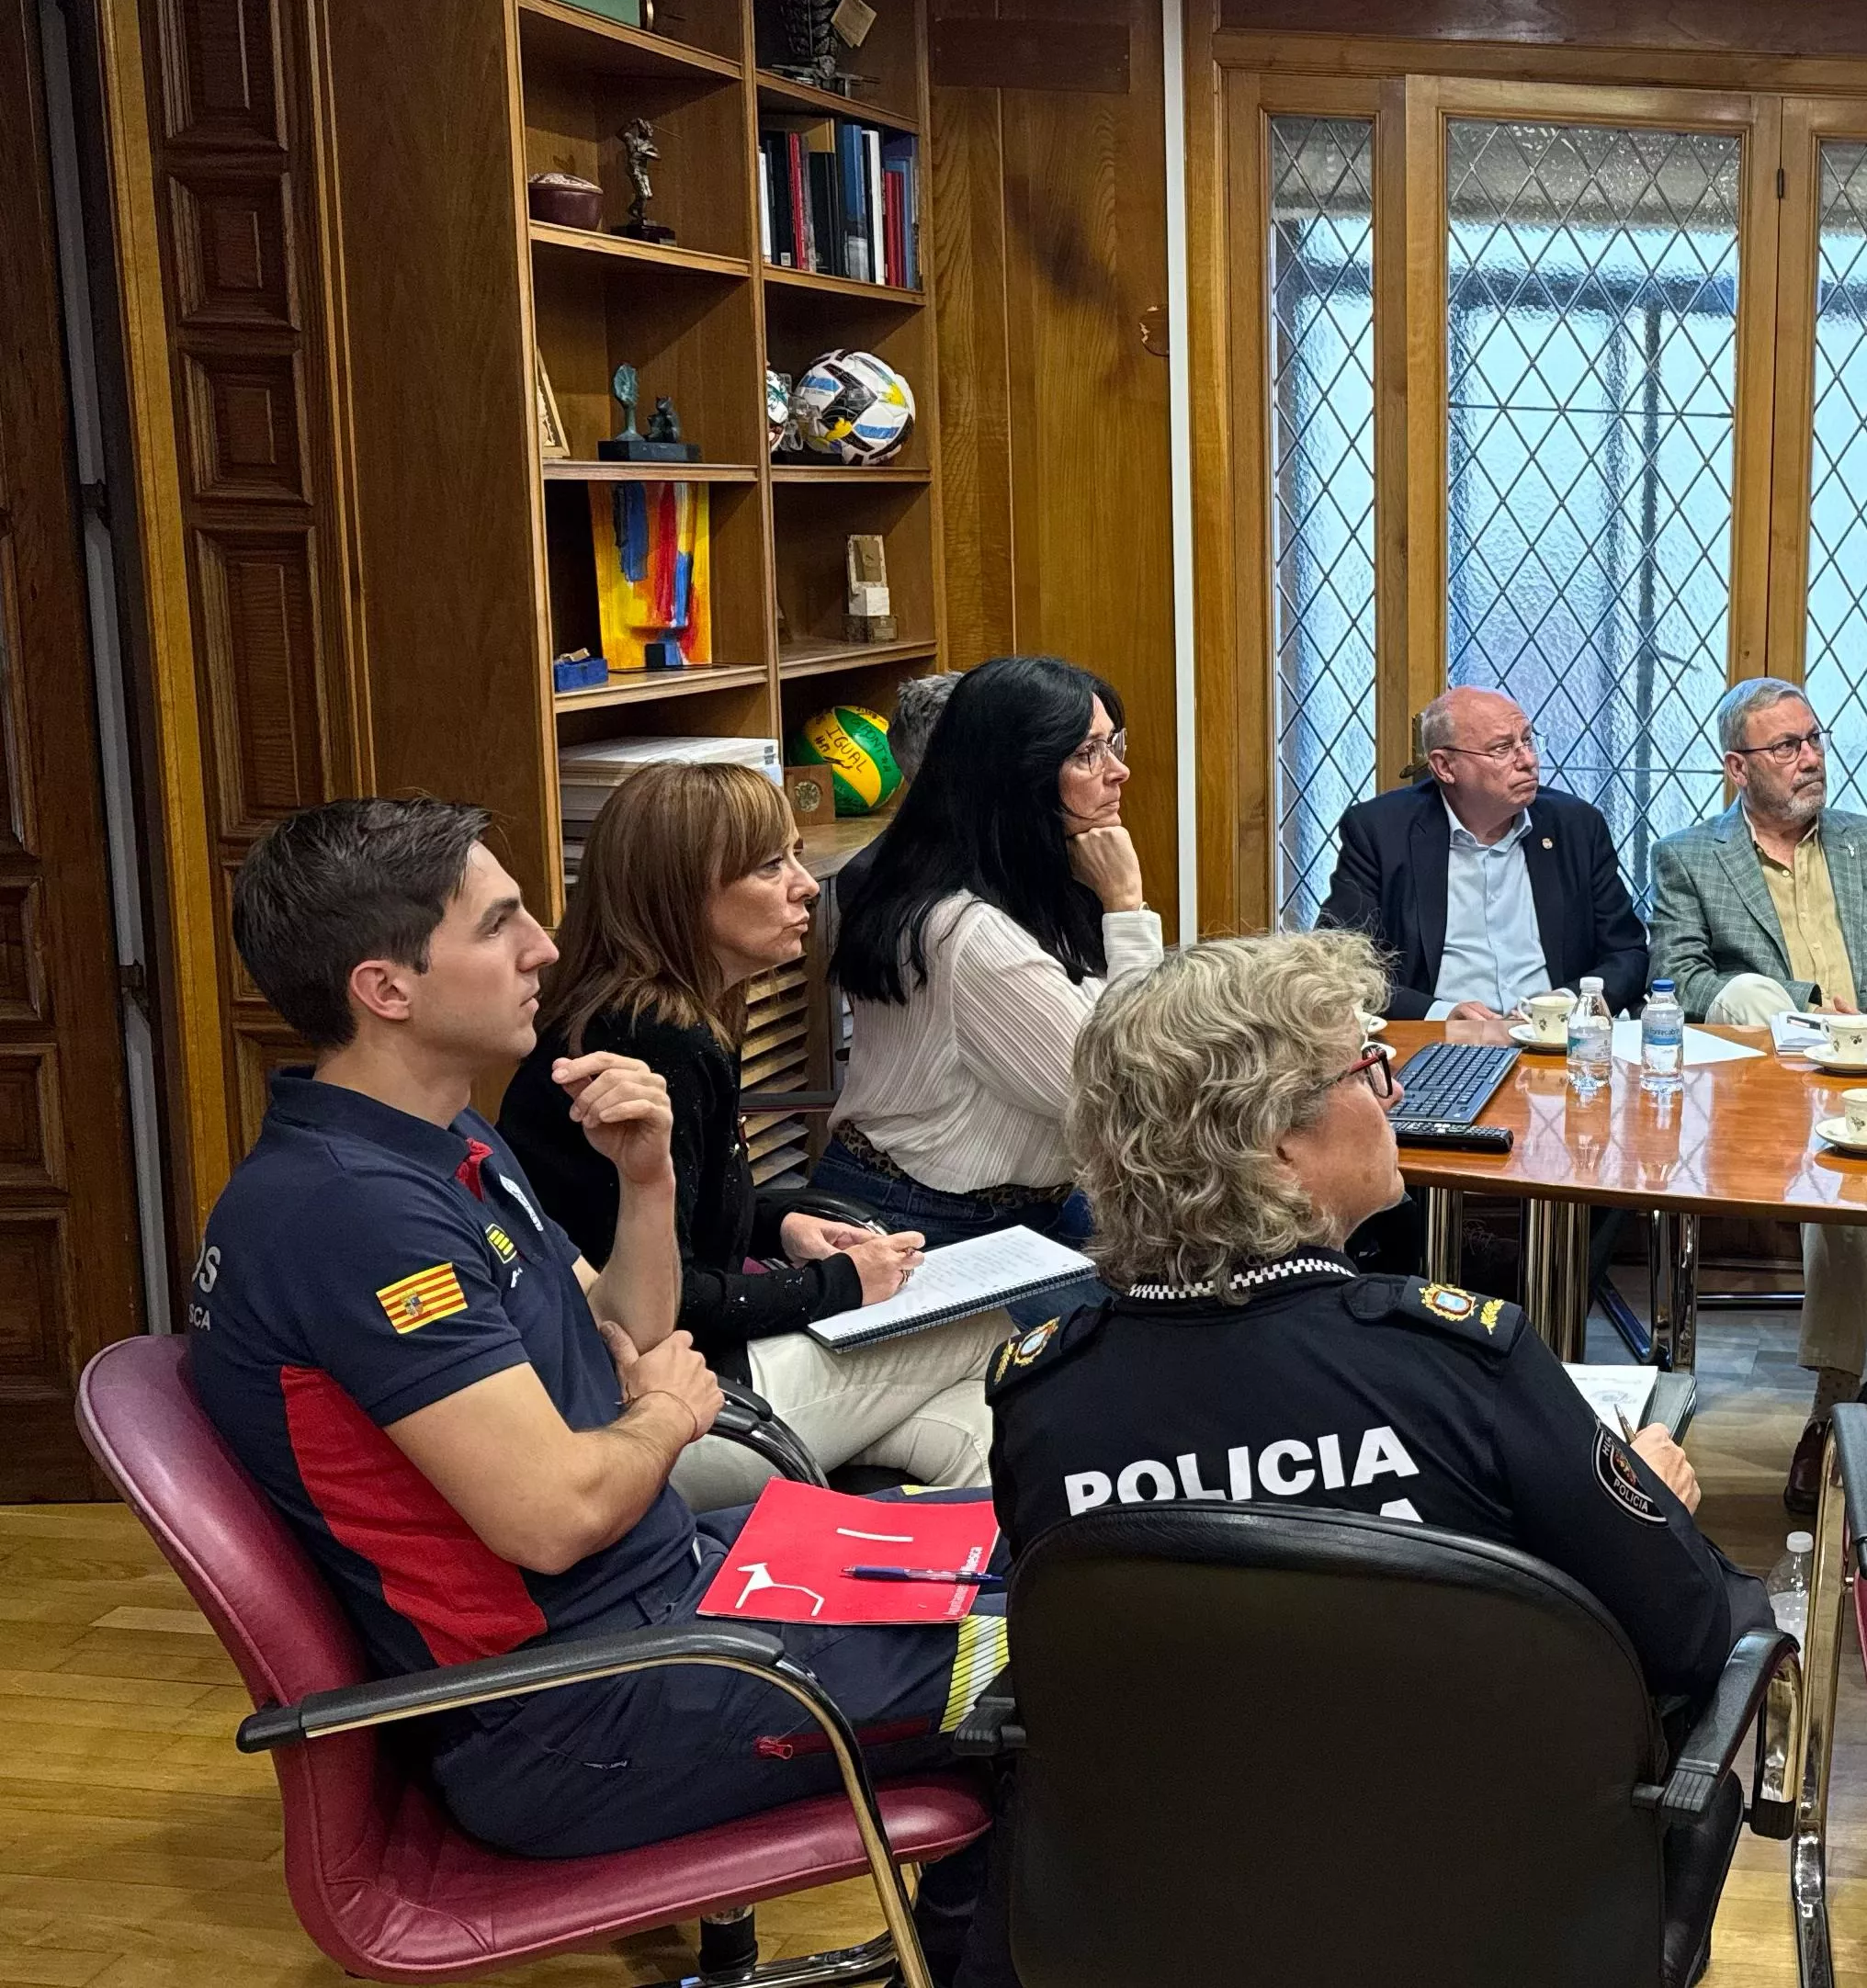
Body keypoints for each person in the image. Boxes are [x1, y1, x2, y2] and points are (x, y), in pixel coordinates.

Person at [184, 798, 999, 1937]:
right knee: (1092, 1639)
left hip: (674, 1599)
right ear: (387, 989)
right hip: (588, 1711)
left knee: (1060, 1535)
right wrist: (666, 1418)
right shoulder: (350, 1218)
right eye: (502, 923)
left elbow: (628, 1318)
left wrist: (646, 1181)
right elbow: (555, 1515)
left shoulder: (445, 1143)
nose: (547, 949)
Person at [988, 928, 1762, 1981]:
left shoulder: (1046, 1399)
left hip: (1168, 1919)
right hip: (1492, 1915)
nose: (1391, 1094)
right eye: (1367, 1067)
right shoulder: (1461, 1362)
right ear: (1273, 1143)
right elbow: (1688, 1635)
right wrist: (1651, 1509)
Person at [501, 762, 1009, 1510]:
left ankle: (970, 1606)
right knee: (987, 1329)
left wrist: (785, 1221)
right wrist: (842, 1286)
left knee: (979, 1426)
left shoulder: (651, 1011)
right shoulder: (657, 1040)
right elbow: (664, 1297)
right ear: (682, 893)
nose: (805, 885)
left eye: (797, 857)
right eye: (771, 866)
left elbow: (687, 1201)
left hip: (676, 1376)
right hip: (664, 1399)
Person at [1646, 677, 1867, 1509]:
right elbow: (1678, 976)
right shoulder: (1689, 856)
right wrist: (1796, 1002)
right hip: (1760, 1083)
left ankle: (1841, 1405)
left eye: (1814, 739)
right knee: (1758, 1007)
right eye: (1785, 747)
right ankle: (1818, 1405)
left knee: (1848, 1179)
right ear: (1736, 768)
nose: (1810, 759)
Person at [821, 655, 1160, 1246]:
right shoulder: (967, 931)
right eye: (1087, 754)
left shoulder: (1019, 877)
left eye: (1114, 745)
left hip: (1022, 1202)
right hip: (924, 1217)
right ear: (1018, 778)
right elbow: (1129, 1095)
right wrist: (1126, 906)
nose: (1119, 772)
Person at [1320, 684, 1650, 1019]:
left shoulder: (1576, 826)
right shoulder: (1380, 831)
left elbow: (1628, 953)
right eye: (1503, 748)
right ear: (1445, 767)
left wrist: (1565, 1004)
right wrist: (1441, 1014)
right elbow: (1339, 966)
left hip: (1556, 1041)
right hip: (1437, 1042)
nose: (1529, 761)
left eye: (1528, 740)